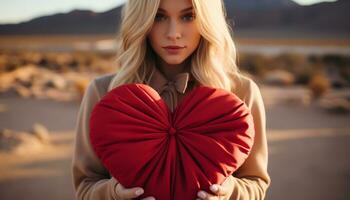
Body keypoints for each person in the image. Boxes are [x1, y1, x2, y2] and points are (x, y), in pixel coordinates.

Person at [71, 0, 271, 199]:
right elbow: (85, 186)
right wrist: (114, 194)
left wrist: (229, 193)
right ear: (141, 20)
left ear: (208, 21)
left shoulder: (241, 93)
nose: (173, 33)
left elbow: (256, 183)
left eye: (188, 16)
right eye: (159, 17)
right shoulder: (103, 92)